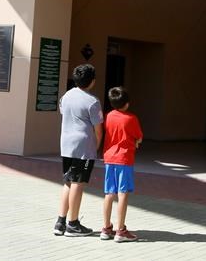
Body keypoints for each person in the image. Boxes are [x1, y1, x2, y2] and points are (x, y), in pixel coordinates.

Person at [53, 64, 104, 237]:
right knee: (78, 183)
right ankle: (73, 224)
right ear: (92, 81)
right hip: (83, 146)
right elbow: (98, 129)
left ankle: (60, 221)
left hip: (66, 144)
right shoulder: (93, 102)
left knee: (68, 181)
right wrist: (96, 147)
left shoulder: (66, 96)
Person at [100, 86, 143, 243]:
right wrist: (136, 142)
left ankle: (106, 228)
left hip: (109, 158)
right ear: (127, 103)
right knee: (122, 193)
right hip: (124, 159)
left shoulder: (109, 116)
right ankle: (121, 230)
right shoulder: (131, 118)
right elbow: (138, 137)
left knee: (109, 193)